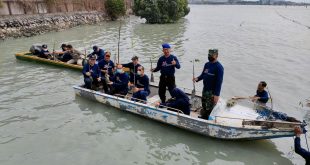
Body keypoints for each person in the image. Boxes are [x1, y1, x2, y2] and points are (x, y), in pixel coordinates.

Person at [193, 49, 224, 120]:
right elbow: (203, 75)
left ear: (216, 56)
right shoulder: (207, 64)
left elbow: (219, 82)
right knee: (204, 104)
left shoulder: (219, 67)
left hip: (212, 92)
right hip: (205, 89)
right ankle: (203, 117)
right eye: (209, 54)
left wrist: (216, 95)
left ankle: (208, 120)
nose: (209, 56)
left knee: (209, 107)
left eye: (211, 55)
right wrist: (197, 78)